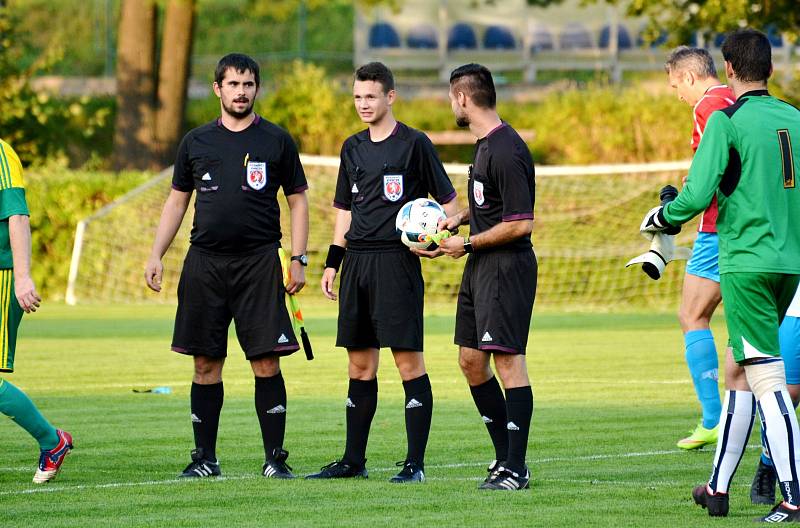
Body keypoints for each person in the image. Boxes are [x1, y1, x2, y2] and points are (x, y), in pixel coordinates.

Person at [642, 29, 800, 521]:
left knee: (769, 380)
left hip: (746, 264)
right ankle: (716, 488)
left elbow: (696, 193)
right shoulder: (795, 118)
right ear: (770, 69)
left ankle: (794, 496)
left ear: (728, 69)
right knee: (738, 371)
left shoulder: (727, 121)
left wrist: (662, 219)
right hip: (789, 263)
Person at [144, 53, 309, 480]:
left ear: (257, 89)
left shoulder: (276, 140)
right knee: (205, 364)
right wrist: (155, 254)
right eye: (233, 84)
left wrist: (298, 258)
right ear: (218, 89)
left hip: (259, 264)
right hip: (205, 265)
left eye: (248, 84)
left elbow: (297, 200)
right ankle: (205, 459)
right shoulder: (196, 142)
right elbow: (177, 201)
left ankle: (275, 458)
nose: (241, 92)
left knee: (267, 362)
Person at [307, 62, 457, 483]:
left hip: (397, 263)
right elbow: (344, 211)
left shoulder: (415, 144)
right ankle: (353, 461)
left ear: (390, 97)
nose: (363, 104)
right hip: (357, 263)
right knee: (359, 367)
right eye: (357, 97)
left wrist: (436, 241)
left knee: (408, 363)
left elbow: (448, 203)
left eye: (371, 96)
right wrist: (333, 262)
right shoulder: (351, 147)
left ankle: (415, 465)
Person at [419, 63, 536, 491]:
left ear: (463, 98)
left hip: (506, 269)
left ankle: (517, 468)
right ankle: (504, 458)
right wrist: (455, 221)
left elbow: (521, 222)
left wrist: (466, 244)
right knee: (471, 362)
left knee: (507, 361)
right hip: (481, 268)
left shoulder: (506, 148)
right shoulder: (485, 145)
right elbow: (491, 204)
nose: (452, 104)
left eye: (452, 97)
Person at [664, 46, 735, 451]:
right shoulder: (736, 98)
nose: (678, 95)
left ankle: (713, 418)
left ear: (690, 78)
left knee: (692, 314)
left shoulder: (707, 105)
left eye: (676, 85)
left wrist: (674, 211)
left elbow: (715, 168)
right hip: (760, 228)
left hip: (718, 226)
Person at [0, 138, 73, 484]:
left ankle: (51, 440)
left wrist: (23, 277)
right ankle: (51, 440)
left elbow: (17, 215)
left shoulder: (1, 153)